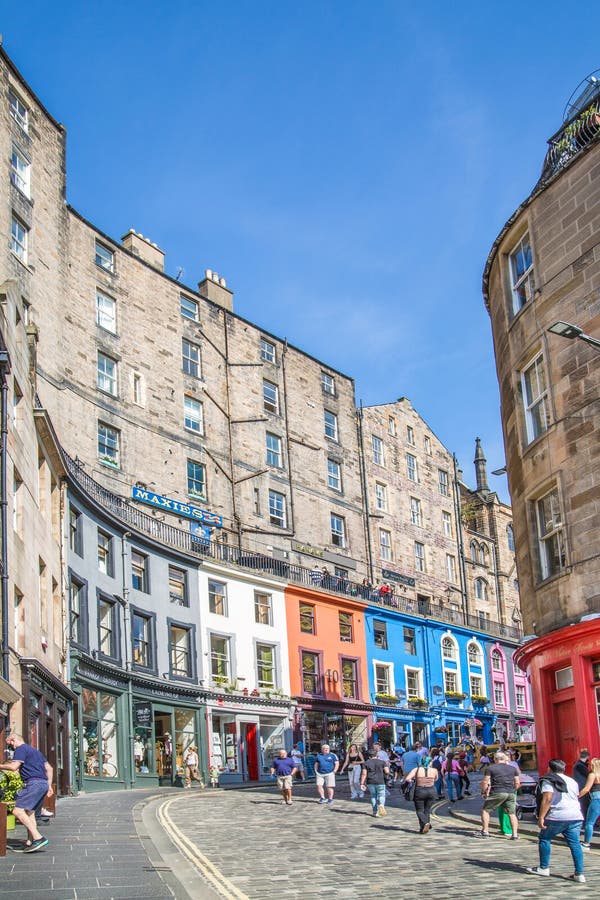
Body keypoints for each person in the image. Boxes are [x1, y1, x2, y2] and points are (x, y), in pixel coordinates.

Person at [527, 758, 585, 883]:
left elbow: (547, 798)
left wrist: (541, 816)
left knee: (544, 838)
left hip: (558, 815)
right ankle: (579, 874)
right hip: (575, 815)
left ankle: (544, 867)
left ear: (550, 768)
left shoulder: (549, 780)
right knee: (575, 844)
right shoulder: (572, 781)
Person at [0, 732, 53, 853]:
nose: (11, 748)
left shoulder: (21, 749)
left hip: (32, 783)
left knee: (17, 811)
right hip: (42, 783)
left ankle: (38, 838)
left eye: (10, 745)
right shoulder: (35, 751)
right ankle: (31, 842)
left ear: (13, 740)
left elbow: (14, 767)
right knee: (29, 812)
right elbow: (49, 768)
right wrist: (49, 785)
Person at [477, 750, 519, 838]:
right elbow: (517, 783)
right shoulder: (513, 768)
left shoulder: (491, 768)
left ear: (496, 759)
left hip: (497, 792)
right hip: (510, 793)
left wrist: (484, 792)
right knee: (512, 814)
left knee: (485, 810)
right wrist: (513, 790)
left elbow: (485, 782)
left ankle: (485, 831)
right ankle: (514, 834)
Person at [404, 753, 438, 833]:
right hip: (431, 791)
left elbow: (407, 779)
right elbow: (436, 779)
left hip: (420, 790)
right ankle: (423, 828)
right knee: (427, 810)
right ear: (430, 762)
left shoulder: (417, 769)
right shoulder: (434, 770)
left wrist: (415, 780)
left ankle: (426, 823)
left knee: (419, 810)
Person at [578, 756, 600, 850]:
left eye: (591, 765)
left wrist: (576, 797)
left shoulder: (593, 774)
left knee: (589, 823)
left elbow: (587, 789)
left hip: (597, 799)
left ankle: (586, 844)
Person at [360, 749, 389, 817]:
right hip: (380, 781)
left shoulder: (366, 763)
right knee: (381, 795)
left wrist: (362, 783)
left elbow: (364, 774)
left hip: (370, 781)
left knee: (373, 796)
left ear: (369, 756)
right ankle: (381, 805)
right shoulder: (382, 762)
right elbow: (387, 771)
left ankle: (375, 811)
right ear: (377, 755)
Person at [573, 748, 591, 817]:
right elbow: (588, 774)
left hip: (580, 786)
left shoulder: (578, 764)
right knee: (584, 804)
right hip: (583, 787)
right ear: (587, 757)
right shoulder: (580, 765)